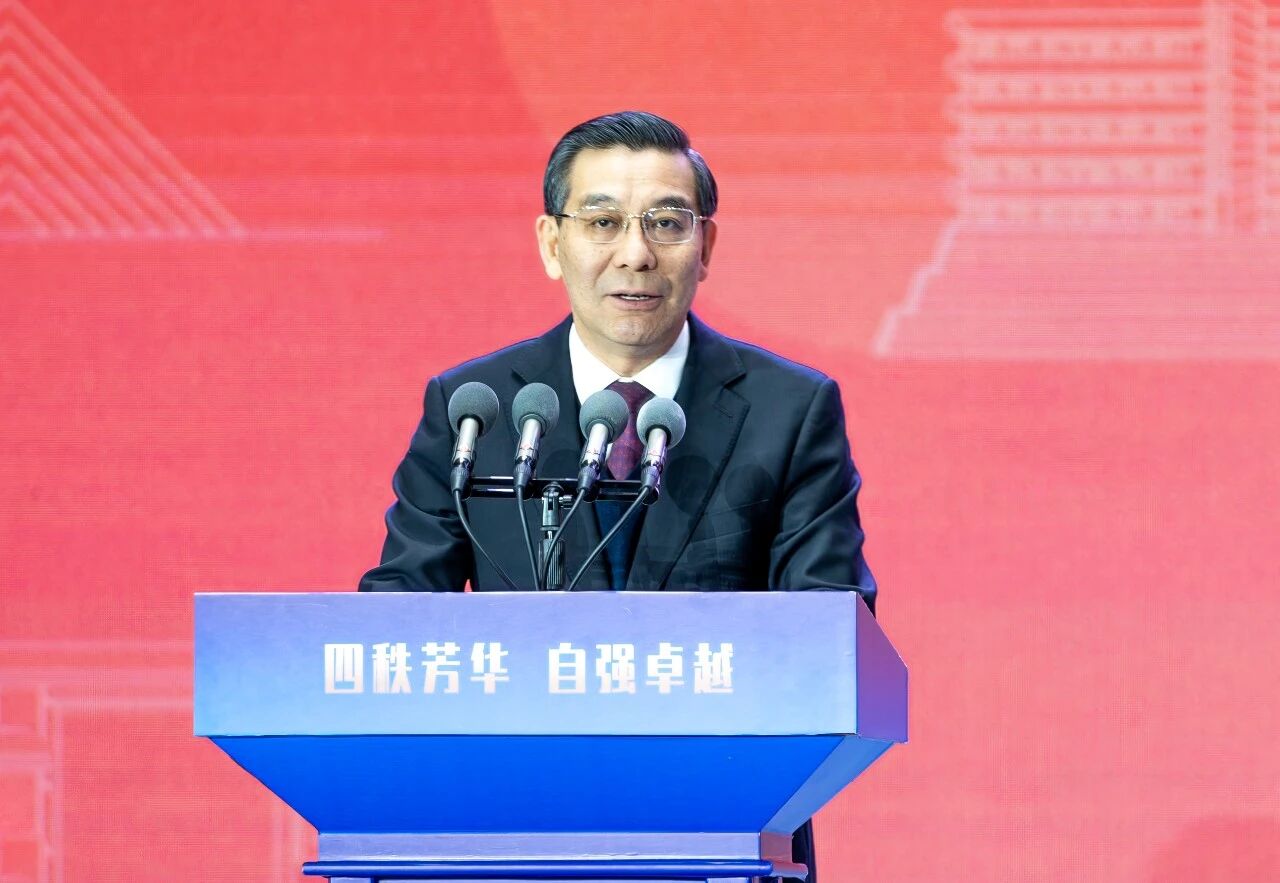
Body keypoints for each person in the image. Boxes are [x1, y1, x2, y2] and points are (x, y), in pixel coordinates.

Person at [359, 110, 876, 883]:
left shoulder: (789, 409)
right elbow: (397, 614)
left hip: (724, 832)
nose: (635, 253)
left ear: (706, 245)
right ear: (551, 242)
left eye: (666, 222)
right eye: (602, 221)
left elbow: (832, 630)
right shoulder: (475, 408)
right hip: (509, 830)